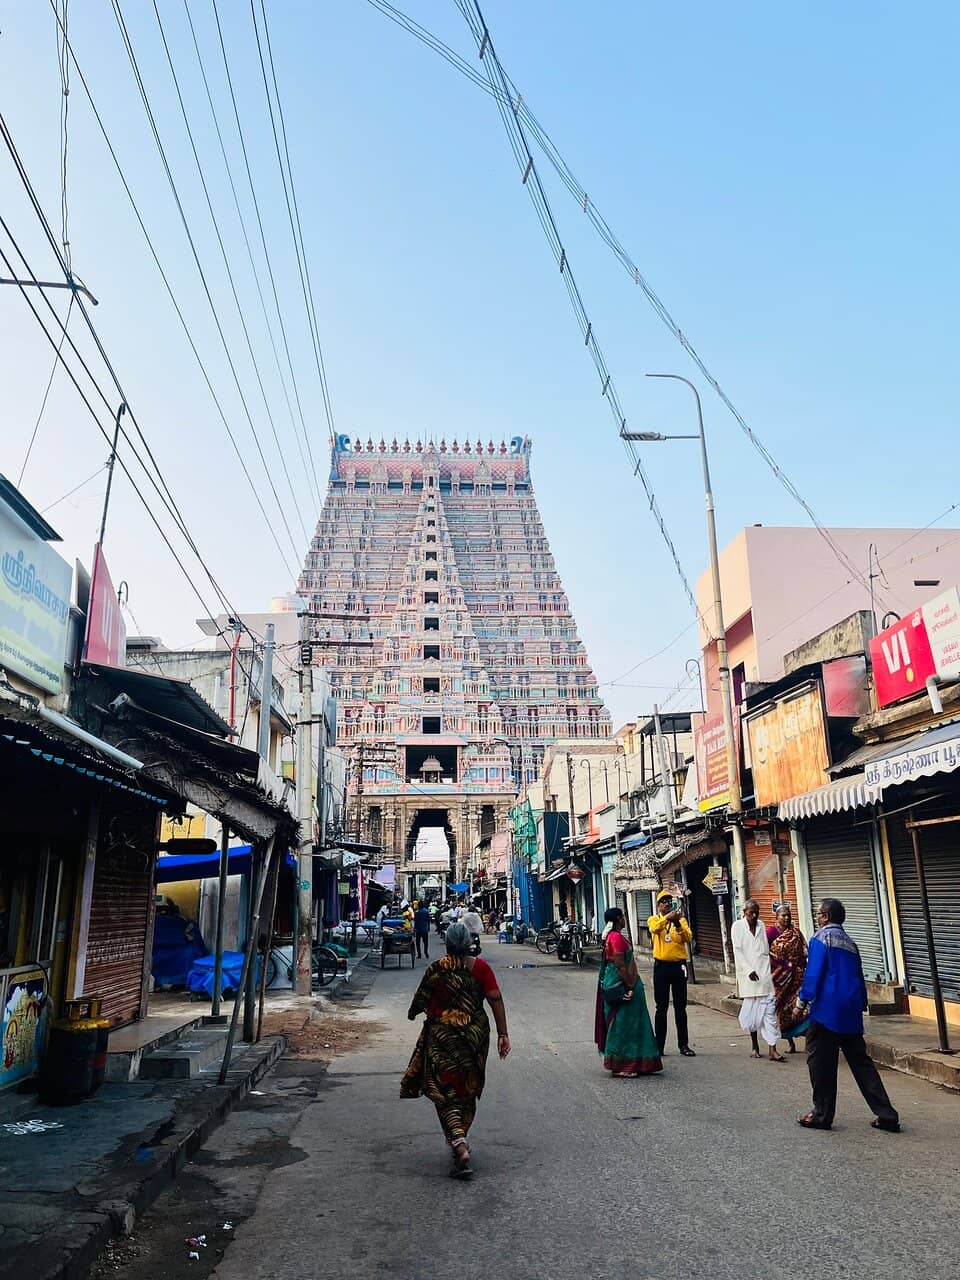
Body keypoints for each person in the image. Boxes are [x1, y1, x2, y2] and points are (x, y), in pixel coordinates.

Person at [401, 922, 511, 1178]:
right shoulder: (481, 968)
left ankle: (458, 1141)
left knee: (442, 1090)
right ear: (468, 943)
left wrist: (413, 1013)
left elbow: (420, 1000)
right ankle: (460, 1136)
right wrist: (503, 1033)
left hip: (442, 1036)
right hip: (474, 1037)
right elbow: (495, 998)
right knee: (467, 1088)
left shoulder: (437, 968)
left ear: (448, 943)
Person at [795, 898, 899, 1132]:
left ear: (825, 917)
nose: (817, 917)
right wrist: (861, 1004)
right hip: (850, 1013)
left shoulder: (821, 938)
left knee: (821, 1064)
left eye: (819, 914)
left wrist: (801, 1002)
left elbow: (814, 975)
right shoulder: (851, 943)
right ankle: (887, 1114)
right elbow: (858, 977)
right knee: (862, 1065)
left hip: (826, 1012)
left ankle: (821, 1114)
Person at [595, 907, 663, 1078]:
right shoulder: (616, 937)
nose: (625, 919)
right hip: (622, 984)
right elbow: (620, 965)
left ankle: (639, 1062)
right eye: (623, 917)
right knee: (623, 1025)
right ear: (619, 919)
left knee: (634, 1023)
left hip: (626, 982)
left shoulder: (614, 936)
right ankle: (622, 1065)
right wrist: (630, 986)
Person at [732, 899, 785, 1062]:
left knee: (769, 1011)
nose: (754, 916)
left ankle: (772, 1048)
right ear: (744, 912)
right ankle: (755, 1045)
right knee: (753, 1013)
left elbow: (764, 949)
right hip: (749, 976)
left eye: (756, 912)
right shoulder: (737, 927)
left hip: (764, 974)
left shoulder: (761, 925)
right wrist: (749, 970)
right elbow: (738, 952)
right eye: (750, 913)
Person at [647, 890, 696, 1057]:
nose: (666, 904)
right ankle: (658, 1045)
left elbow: (688, 937)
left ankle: (684, 1045)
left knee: (680, 1007)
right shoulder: (654, 919)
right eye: (663, 902)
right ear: (658, 905)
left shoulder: (680, 920)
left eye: (669, 902)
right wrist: (667, 918)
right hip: (661, 967)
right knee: (661, 1007)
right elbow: (654, 929)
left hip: (678, 967)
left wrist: (676, 924)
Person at [767, 904, 808, 1052]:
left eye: (788, 915)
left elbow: (804, 950)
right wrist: (782, 964)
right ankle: (790, 1043)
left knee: (801, 1008)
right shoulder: (771, 932)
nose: (786, 918)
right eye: (783, 915)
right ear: (776, 917)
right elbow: (765, 952)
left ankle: (808, 1041)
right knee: (782, 1009)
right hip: (780, 977)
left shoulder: (796, 932)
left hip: (797, 976)